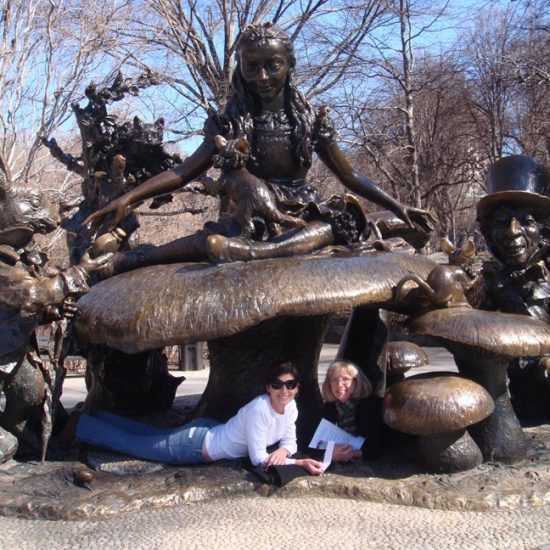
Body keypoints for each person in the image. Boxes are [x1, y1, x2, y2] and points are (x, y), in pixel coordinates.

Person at [84, 23, 435, 272]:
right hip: (249, 215)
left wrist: (398, 205)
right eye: (252, 67)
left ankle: (251, 253)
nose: (262, 77)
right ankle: (131, 259)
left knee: (329, 227)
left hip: (299, 215)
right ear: (241, 67)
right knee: (208, 240)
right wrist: (128, 198)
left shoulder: (311, 121)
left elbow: (350, 175)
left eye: (272, 66)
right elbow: (183, 171)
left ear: (289, 65)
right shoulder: (229, 122)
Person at [72, 362, 324, 474]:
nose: (284, 390)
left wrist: (284, 451)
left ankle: (101, 416)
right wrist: (298, 463)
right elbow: (259, 459)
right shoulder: (260, 410)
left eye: (290, 384)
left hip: (210, 431)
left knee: (149, 436)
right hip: (193, 445)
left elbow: (290, 441)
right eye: (277, 384)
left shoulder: (291, 407)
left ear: (297, 388)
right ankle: (81, 423)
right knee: (133, 445)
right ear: (268, 387)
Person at [320, 360, 383, 462]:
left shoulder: (368, 404)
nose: (339, 384)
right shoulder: (330, 405)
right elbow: (320, 441)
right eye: (334, 380)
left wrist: (349, 454)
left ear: (356, 381)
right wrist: (330, 452)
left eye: (345, 379)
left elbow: (374, 447)